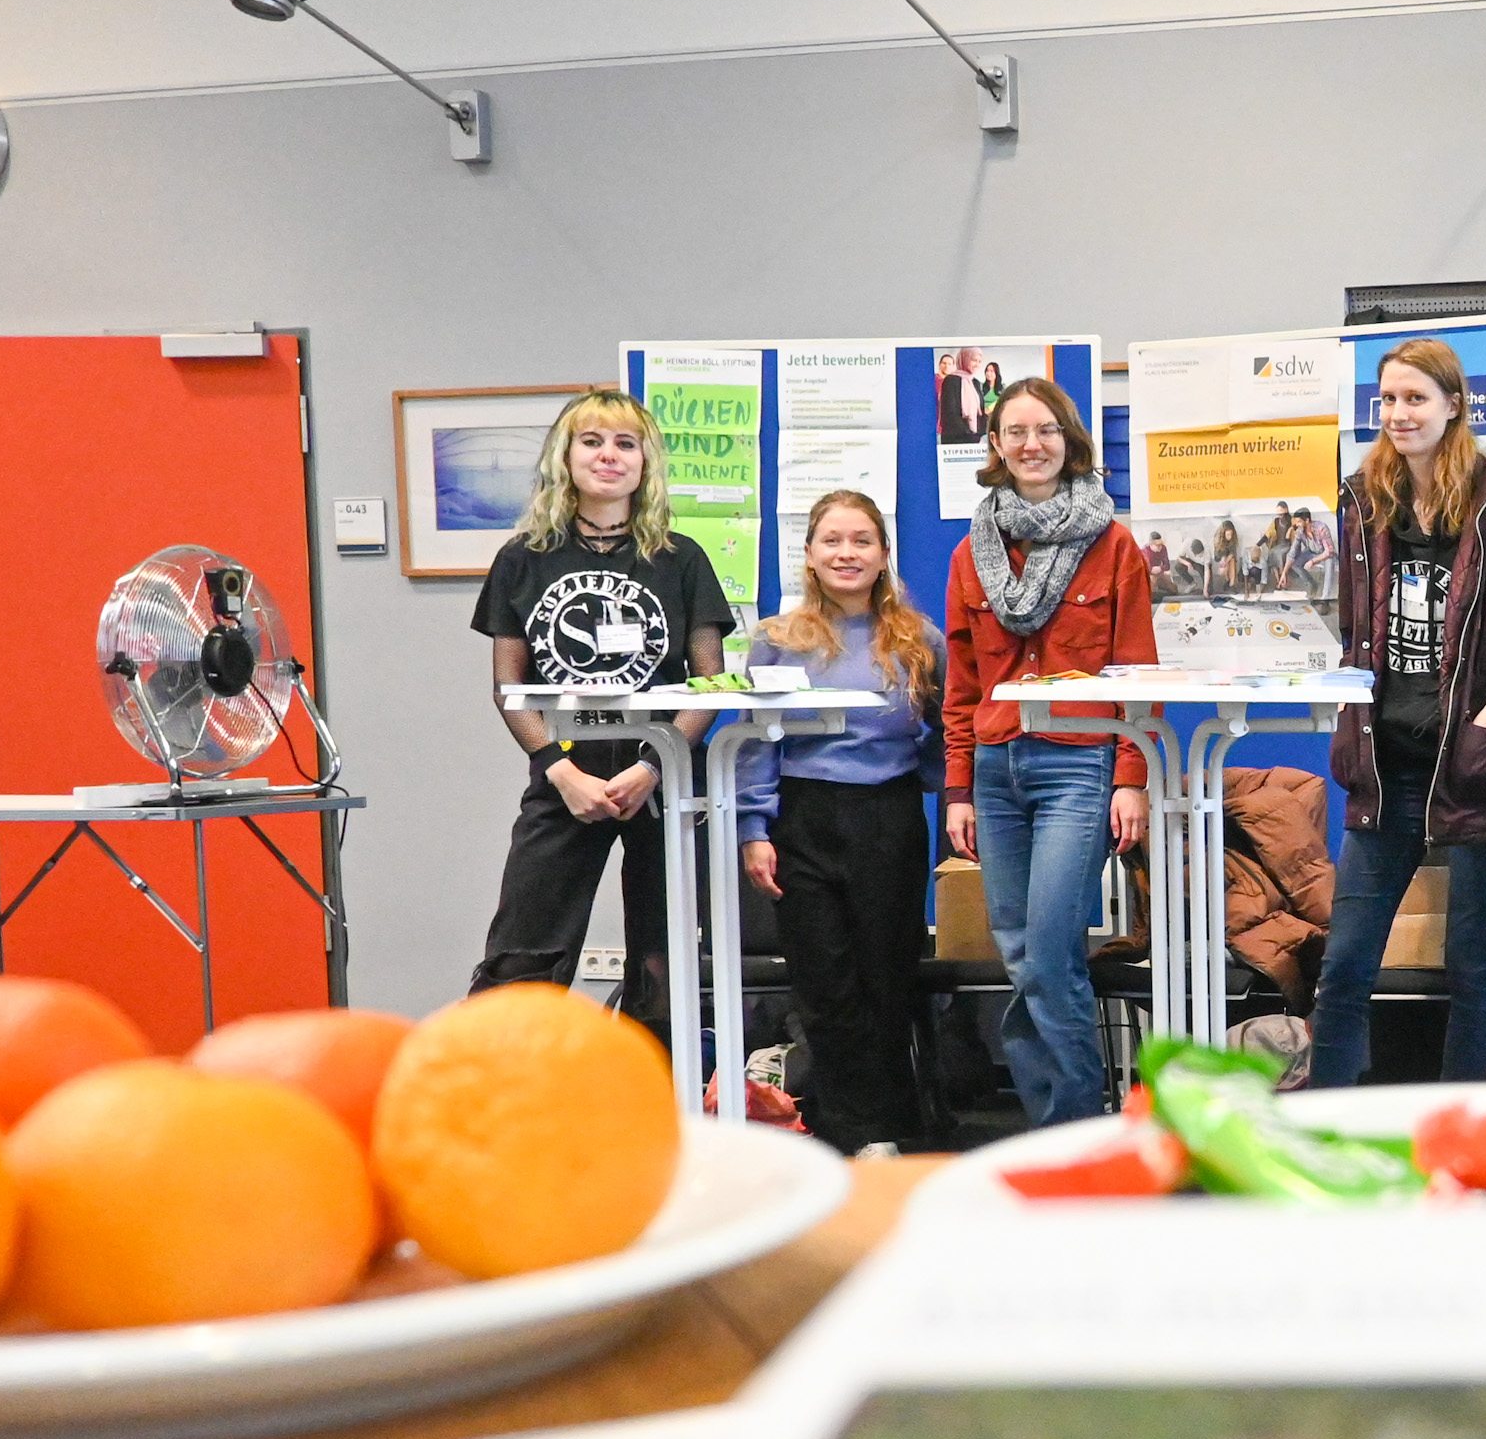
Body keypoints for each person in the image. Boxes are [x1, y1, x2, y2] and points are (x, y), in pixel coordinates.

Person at [1311, 338, 1486, 1089]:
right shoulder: (1361, 504)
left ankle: (1462, 1129)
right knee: (1343, 968)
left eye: (1415, 399)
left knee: (1473, 971)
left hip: (1476, 771)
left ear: (1453, 406)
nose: (1399, 414)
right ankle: (1322, 1124)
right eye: (1388, 400)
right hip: (1385, 771)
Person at [467, 390, 731, 1029]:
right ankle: (500, 1114)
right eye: (592, 441)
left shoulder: (681, 557)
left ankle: (657, 1110)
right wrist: (559, 770)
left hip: (660, 776)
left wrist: (652, 769)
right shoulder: (522, 558)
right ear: (566, 456)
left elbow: (710, 685)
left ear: (646, 463)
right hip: (564, 770)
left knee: (664, 962)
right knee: (522, 956)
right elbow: (509, 687)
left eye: (625, 443)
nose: (608, 456)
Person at [945, 375, 1152, 1128]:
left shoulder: (1114, 543)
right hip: (997, 767)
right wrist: (959, 787)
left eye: (1046, 431)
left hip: (1081, 761)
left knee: (1051, 946)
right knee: (1019, 950)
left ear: (1070, 443)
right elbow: (963, 682)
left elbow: (1138, 668)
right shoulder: (975, 552)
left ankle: (1075, 1127)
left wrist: (1132, 776)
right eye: (1015, 432)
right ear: (996, 445)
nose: (1031, 445)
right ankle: (1052, 1126)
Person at [736, 488, 943, 1155]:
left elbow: (947, 734)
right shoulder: (775, 641)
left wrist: (954, 794)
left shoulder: (920, 638)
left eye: (862, 540)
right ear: (810, 554)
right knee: (824, 981)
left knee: (885, 976)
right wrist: (753, 830)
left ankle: (878, 1131)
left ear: (884, 554)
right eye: (833, 540)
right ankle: (848, 1131)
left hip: (889, 816)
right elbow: (756, 740)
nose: (847, 553)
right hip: (803, 817)